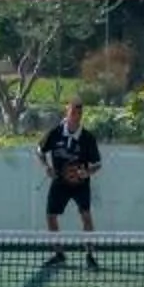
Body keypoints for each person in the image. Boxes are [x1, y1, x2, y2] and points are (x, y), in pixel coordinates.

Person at [39, 99, 103, 267]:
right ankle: (59, 253)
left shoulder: (87, 138)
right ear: (66, 113)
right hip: (59, 182)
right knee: (51, 216)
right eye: (73, 112)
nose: (76, 116)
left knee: (86, 217)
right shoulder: (55, 133)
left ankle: (90, 254)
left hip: (80, 184)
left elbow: (97, 164)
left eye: (79, 113)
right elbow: (40, 151)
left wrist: (86, 172)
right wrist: (46, 167)